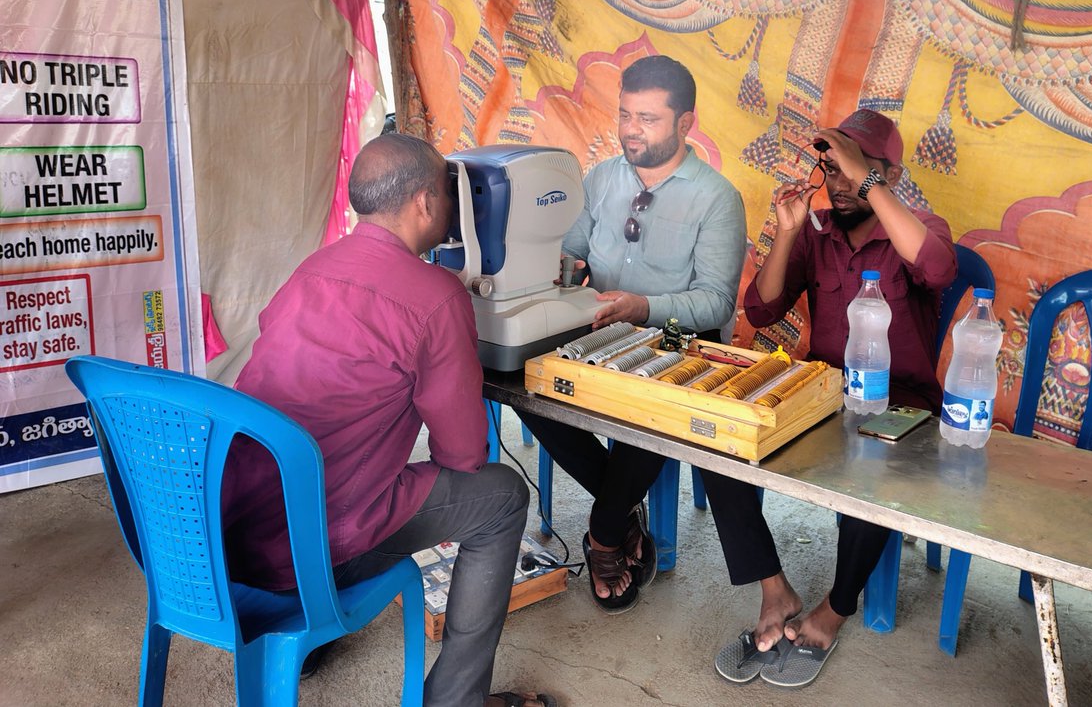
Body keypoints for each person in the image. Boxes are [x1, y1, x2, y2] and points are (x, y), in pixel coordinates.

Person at [221, 134, 555, 707]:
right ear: (425, 202)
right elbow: (462, 456)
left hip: (231, 536)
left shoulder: (312, 269)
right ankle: (456, 701)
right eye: (451, 195)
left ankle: (311, 630)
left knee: (337, 459)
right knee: (501, 496)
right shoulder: (434, 295)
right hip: (311, 549)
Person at [711, 108, 957, 681]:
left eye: (855, 169)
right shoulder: (817, 231)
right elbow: (761, 308)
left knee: (872, 471)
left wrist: (865, 178)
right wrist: (790, 230)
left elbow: (941, 269)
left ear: (889, 176)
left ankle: (835, 609)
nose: (840, 183)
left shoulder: (921, 225)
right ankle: (775, 592)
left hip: (902, 412)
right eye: (833, 168)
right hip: (821, 397)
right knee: (720, 446)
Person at [516, 55, 747, 613]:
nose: (630, 130)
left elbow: (715, 302)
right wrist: (556, 279)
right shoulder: (599, 179)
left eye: (647, 118)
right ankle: (622, 510)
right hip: (600, 328)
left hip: (676, 335)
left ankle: (603, 529)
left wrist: (642, 307)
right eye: (624, 114)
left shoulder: (717, 198)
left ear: (685, 123)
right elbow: (569, 257)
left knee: (653, 403)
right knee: (521, 385)